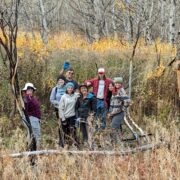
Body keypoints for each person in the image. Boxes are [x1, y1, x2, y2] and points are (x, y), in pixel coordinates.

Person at [108, 77, 130, 145]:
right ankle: (117, 143)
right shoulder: (115, 91)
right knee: (116, 129)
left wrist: (122, 109)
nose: (117, 84)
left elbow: (127, 101)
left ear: (121, 84)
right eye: (116, 83)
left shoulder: (121, 91)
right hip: (114, 113)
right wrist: (110, 112)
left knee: (113, 127)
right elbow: (112, 103)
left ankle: (114, 144)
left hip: (119, 113)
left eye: (119, 83)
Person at [22, 82, 41, 149]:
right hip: (31, 119)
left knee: (30, 134)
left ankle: (29, 149)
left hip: (35, 119)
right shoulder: (26, 98)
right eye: (28, 90)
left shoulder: (31, 97)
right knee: (36, 135)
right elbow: (25, 110)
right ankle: (35, 151)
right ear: (26, 91)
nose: (30, 91)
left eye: (31, 89)